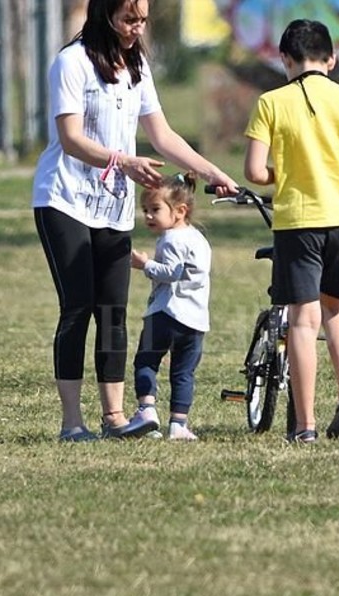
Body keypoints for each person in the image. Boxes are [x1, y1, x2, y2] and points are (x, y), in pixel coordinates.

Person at [32, 0, 238, 442]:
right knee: (79, 306)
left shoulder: (136, 63)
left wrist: (210, 171)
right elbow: (70, 139)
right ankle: (72, 422)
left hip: (113, 206)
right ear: (105, 13)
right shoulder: (71, 62)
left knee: (112, 311)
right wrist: (122, 160)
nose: (136, 27)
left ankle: (115, 417)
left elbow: (161, 135)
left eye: (142, 19)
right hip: (64, 199)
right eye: (129, 18)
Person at [243, 18, 339, 444]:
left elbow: (253, 170)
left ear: (285, 59)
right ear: (332, 59)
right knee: (335, 309)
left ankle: (304, 426)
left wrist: (281, 176)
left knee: (303, 321)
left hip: (298, 221)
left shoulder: (271, 103)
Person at [128, 173, 211, 442]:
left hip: (164, 314)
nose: (149, 216)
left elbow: (172, 272)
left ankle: (147, 409)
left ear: (179, 211)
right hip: (195, 319)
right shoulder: (198, 239)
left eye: (155, 210)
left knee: (146, 361)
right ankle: (178, 424)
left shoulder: (172, 239)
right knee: (183, 373)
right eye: (145, 211)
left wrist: (145, 265)